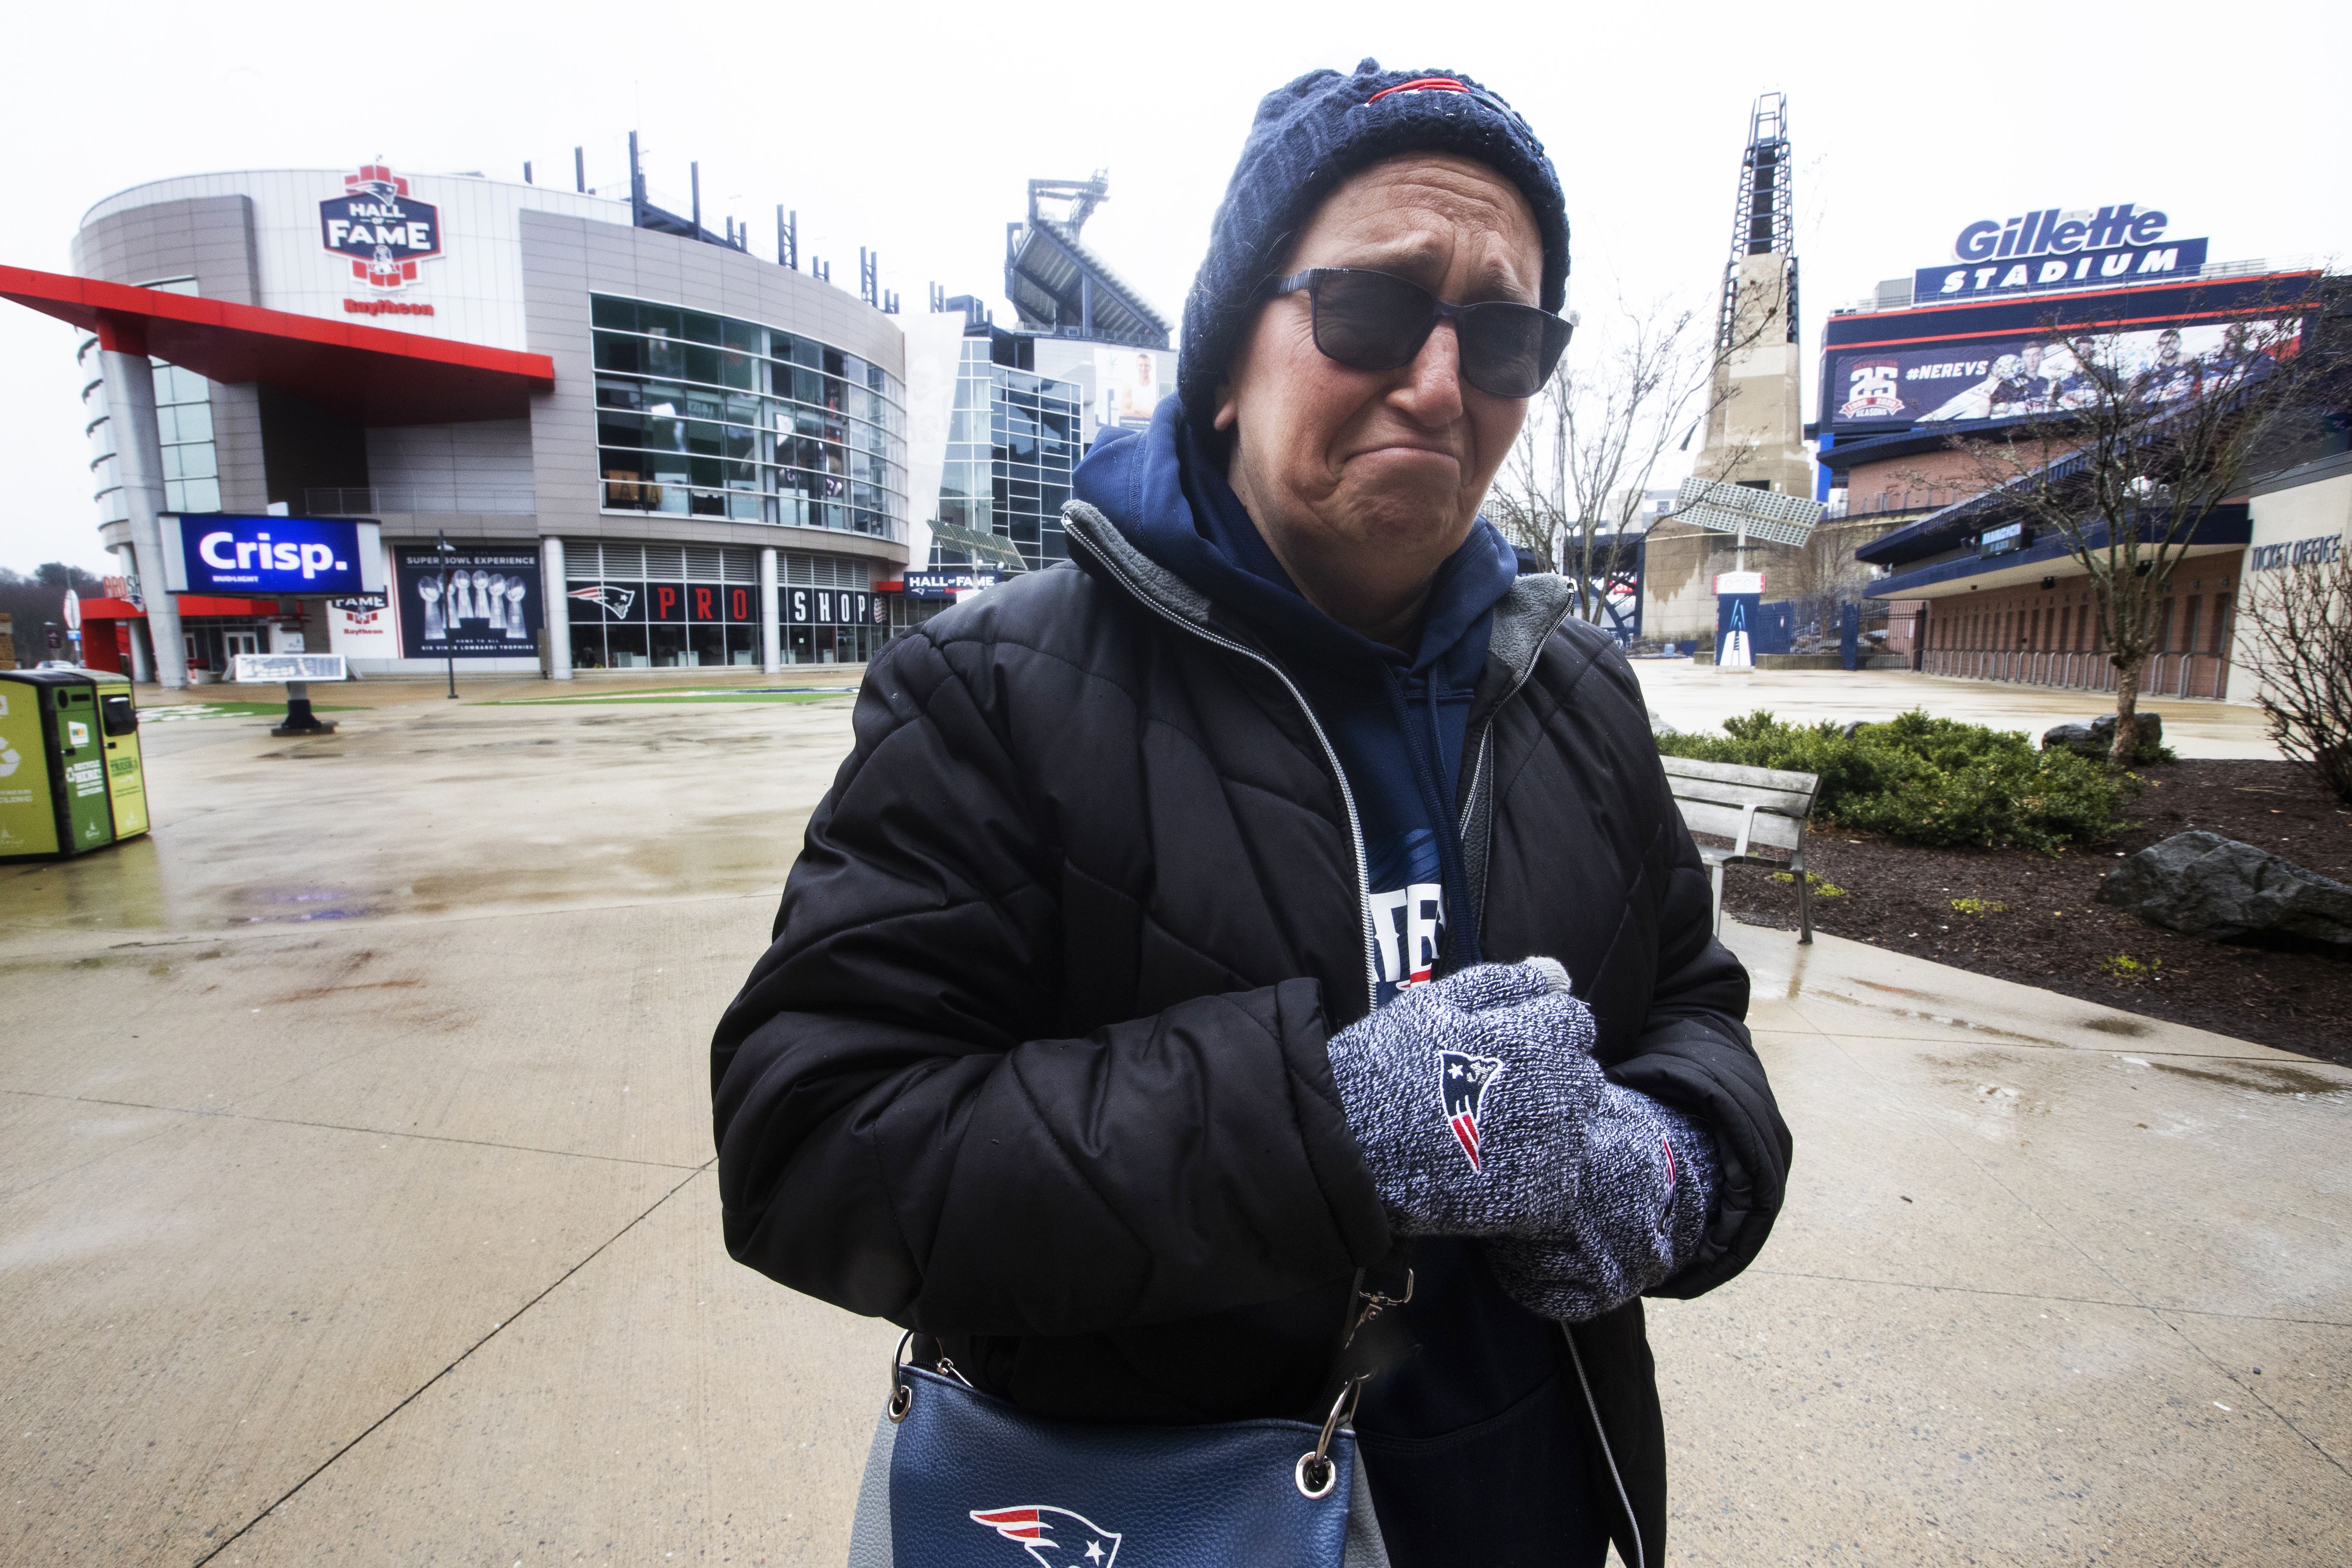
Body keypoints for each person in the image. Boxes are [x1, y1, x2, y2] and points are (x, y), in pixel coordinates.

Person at [712, 60, 1791, 1568]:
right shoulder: (991, 690)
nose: (1437, 379)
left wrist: (1669, 1164)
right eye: (1370, 310)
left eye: (1501, 332)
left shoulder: (1575, 690)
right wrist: (1335, 1127)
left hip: (1524, 1513)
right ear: (1225, 361)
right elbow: (808, 1144)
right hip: (1158, 1525)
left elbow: (1699, 1018)